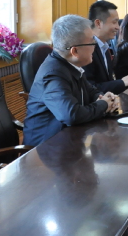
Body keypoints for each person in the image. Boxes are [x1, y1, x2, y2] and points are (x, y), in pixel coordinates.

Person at [24, 15, 118, 147]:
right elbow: (71, 115)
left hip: (68, 138)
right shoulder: (53, 73)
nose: (95, 46)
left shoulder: (70, 64)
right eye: (92, 42)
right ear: (75, 51)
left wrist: (104, 98)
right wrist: (103, 105)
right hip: (45, 149)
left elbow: (91, 91)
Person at [83, 0, 128, 94]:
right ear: (98, 23)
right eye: (114, 22)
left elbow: (107, 82)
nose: (118, 27)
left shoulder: (104, 47)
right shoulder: (86, 48)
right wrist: (122, 82)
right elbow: (89, 88)